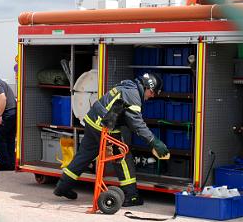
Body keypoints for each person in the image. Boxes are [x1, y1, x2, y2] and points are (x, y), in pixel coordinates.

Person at [53, 72, 169, 207]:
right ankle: (131, 196)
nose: (152, 96)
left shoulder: (127, 87)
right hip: (105, 127)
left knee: (84, 155)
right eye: (153, 93)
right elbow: (136, 123)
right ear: (148, 87)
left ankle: (63, 186)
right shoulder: (133, 95)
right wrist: (154, 141)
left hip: (92, 121)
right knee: (123, 156)